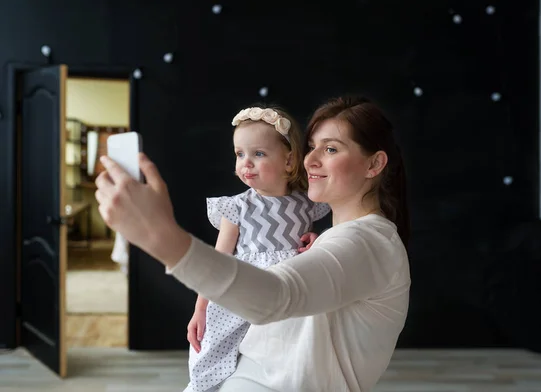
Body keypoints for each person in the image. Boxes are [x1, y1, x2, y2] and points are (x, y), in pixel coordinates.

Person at [94, 96, 411, 391]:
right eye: (312, 147)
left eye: (330, 149)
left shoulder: (368, 243)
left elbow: (278, 296)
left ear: (374, 164)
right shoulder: (334, 239)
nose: (310, 159)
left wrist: (160, 236)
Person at [183, 106, 330, 391]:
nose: (246, 163)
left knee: (289, 352)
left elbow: (330, 236)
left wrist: (316, 237)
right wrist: (200, 308)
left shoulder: (307, 203)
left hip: (289, 291)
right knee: (217, 348)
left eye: (258, 154)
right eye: (240, 154)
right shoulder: (237, 206)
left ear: (289, 161)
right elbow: (216, 263)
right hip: (245, 289)